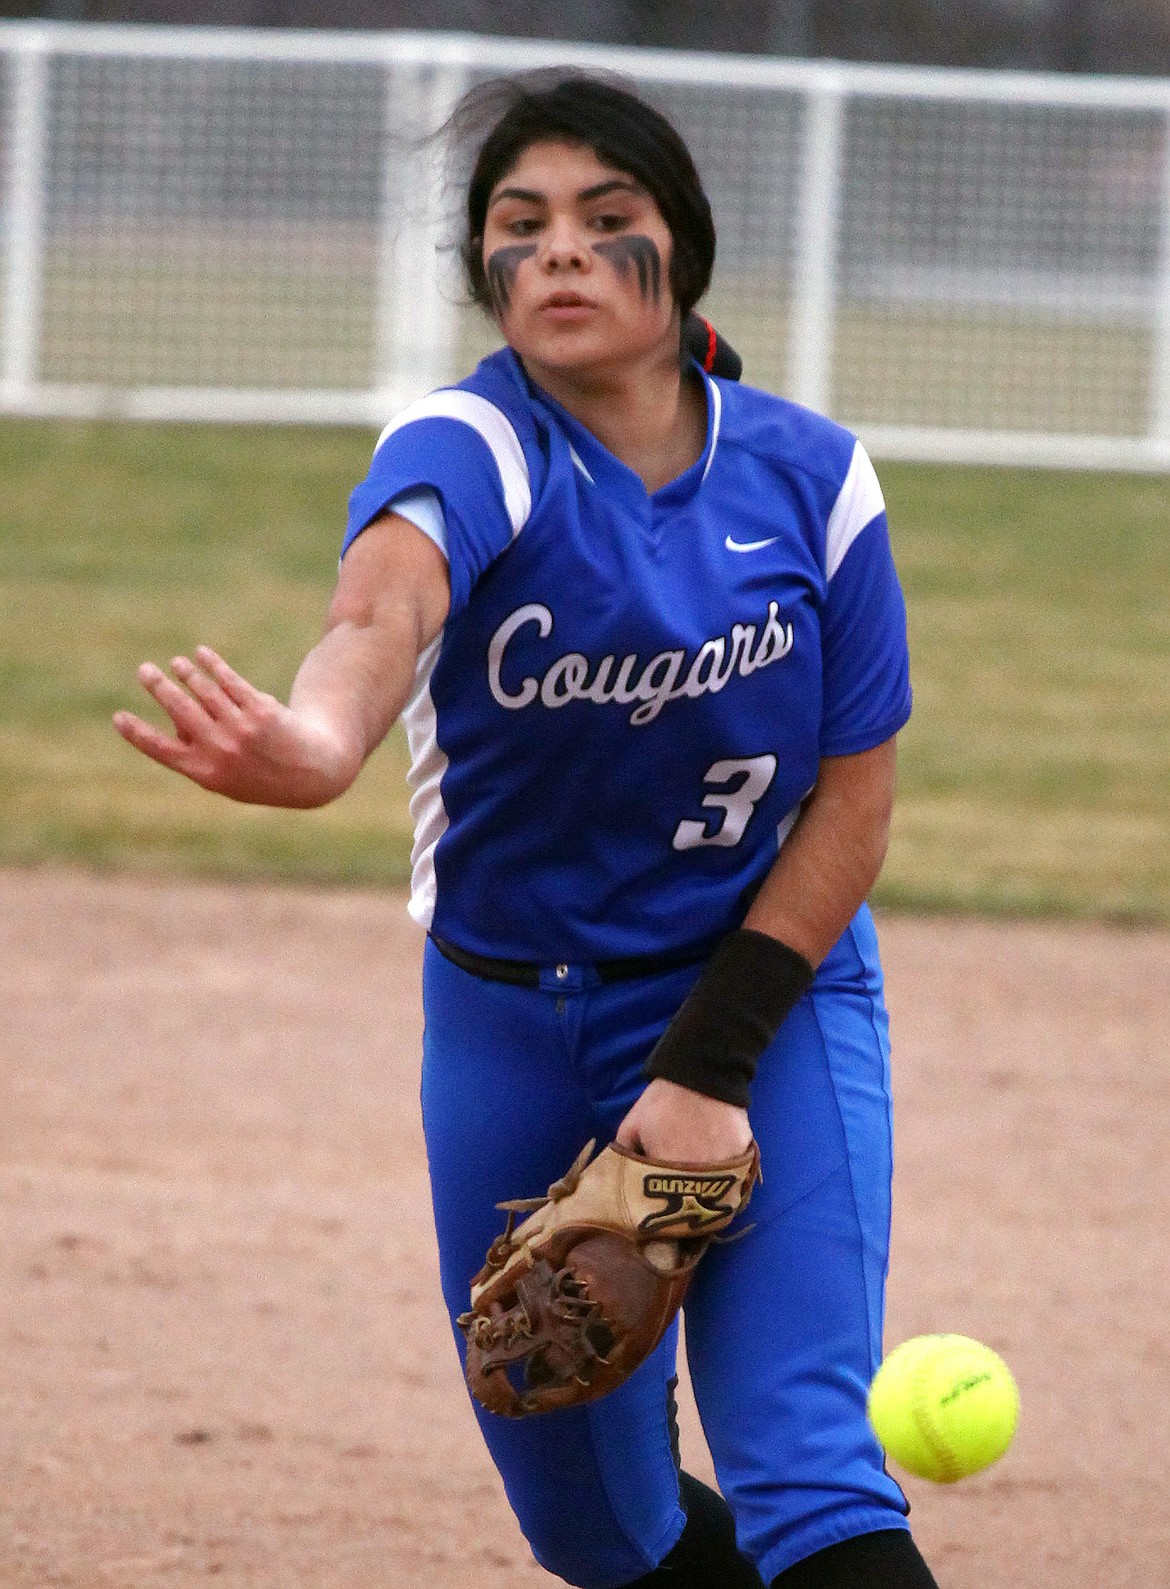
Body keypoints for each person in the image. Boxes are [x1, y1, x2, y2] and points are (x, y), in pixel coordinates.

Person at [113, 71, 939, 1589]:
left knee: (811, 1472)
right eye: (520, 225)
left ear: (676, 251)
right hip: (511, 1035)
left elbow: (855, 800)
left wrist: (706, 1068)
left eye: (603, 220)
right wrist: (315, 739)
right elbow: (381, 612)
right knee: (599, 1531)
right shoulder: (475, 446)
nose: (558, 252)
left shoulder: (811, 480)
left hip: (763, 1000)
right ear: (485, 273)